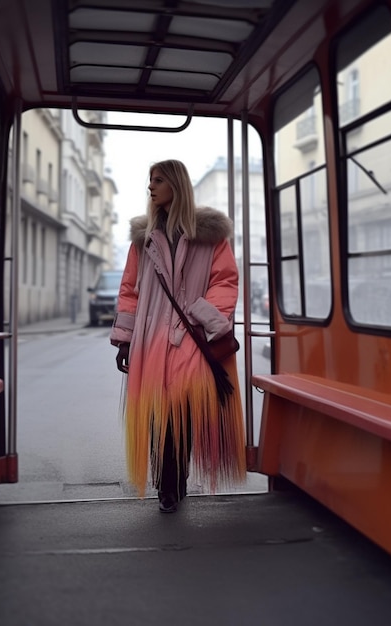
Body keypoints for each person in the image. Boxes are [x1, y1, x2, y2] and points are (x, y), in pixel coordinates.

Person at [110, 159, 246, 513]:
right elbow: (130, 290)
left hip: (192, 336)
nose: (150, 187)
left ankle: (173, 482)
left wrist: (204, 316)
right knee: (157, 413)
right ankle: (167, 485)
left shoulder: (212, 237)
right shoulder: (143, 240)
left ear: (176, 185)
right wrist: (125, 339)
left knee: (183, 409)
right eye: (149, 180)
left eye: (158, 180)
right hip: (152, 339)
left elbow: (226, 280)